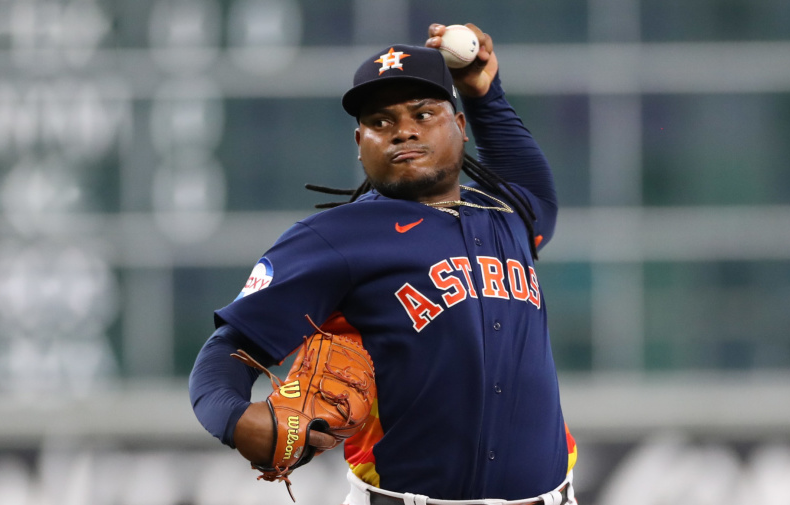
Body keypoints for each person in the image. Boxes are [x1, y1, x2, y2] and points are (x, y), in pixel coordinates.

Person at [189, 22, 578, 505]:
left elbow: (538, 191)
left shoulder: (507, 214)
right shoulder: (336, 237)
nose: (404, 131)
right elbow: (230, 345)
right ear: (360, 143)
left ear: (458, 126)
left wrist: (484, 94)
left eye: (424, 113)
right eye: (381, 122)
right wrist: (231, 417)